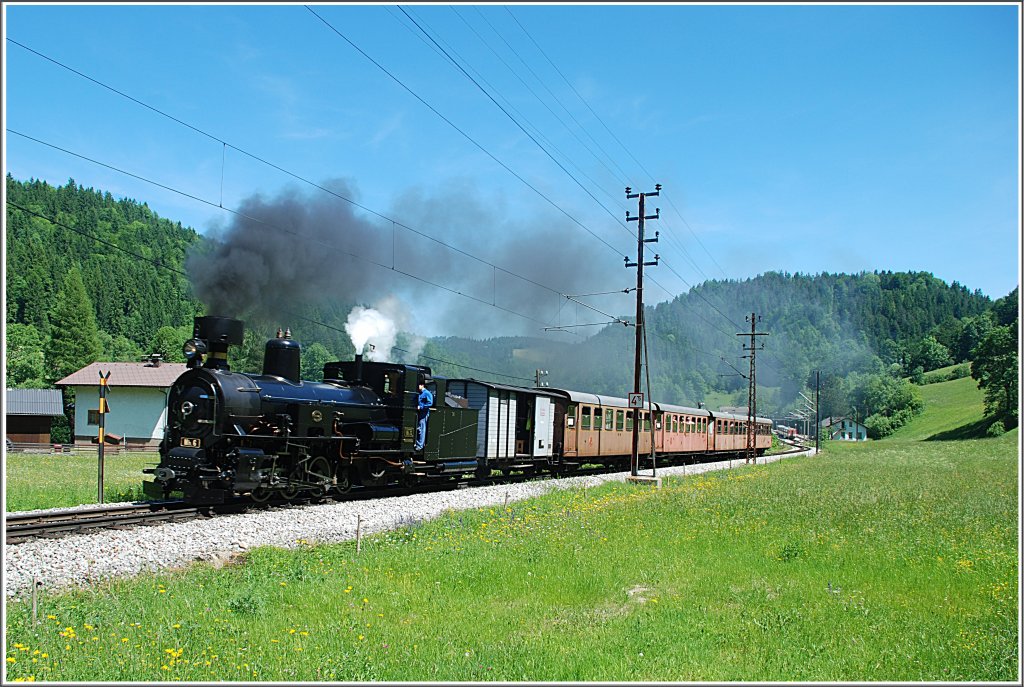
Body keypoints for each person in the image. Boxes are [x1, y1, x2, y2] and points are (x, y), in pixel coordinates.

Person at [414, 381, 433, 451]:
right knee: (419, 428)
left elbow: (430, 403)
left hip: (424, 413)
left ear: (422, 385)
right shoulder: (420, 393)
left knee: (422, 429)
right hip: (420, 412)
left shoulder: (427, 393)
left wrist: (421, 407)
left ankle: (420, 445)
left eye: (418, 385)